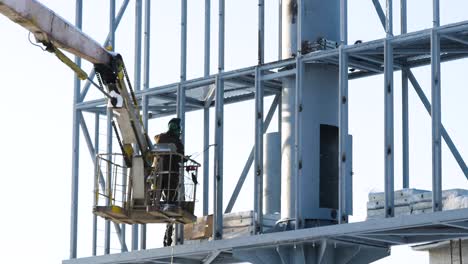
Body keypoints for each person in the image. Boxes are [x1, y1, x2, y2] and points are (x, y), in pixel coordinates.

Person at [154, 117, 184, 246]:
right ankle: (168, 233)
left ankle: (168, 234)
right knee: (171, 201)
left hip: (159, 174)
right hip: (171, 175)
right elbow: (181, 157)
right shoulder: (177, 142)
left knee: (156, 194)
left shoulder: (160, 137)